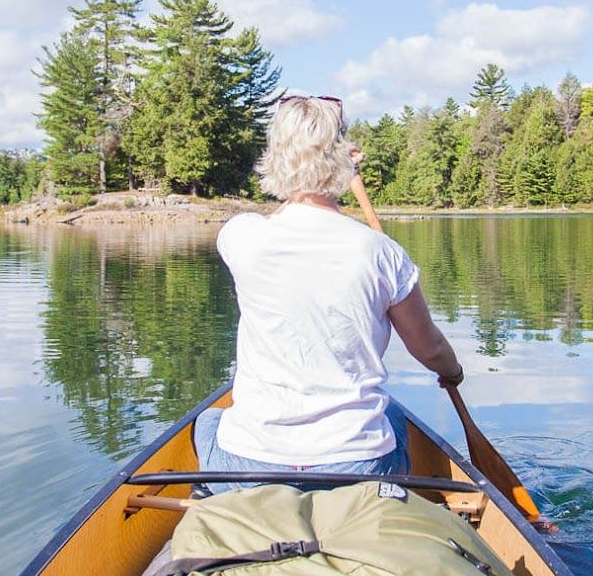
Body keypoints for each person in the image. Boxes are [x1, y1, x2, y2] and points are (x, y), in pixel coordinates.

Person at [194, 94, 464, 492]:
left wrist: (314, 170)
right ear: (341, 156)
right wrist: (453, 372)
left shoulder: (240, 235)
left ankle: (212, 496)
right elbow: (429, 348)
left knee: (208, 421)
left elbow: (285, 219)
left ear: (275, 155)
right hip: (355, 467)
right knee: (392, 416)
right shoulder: (380, 252)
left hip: (250, 467)